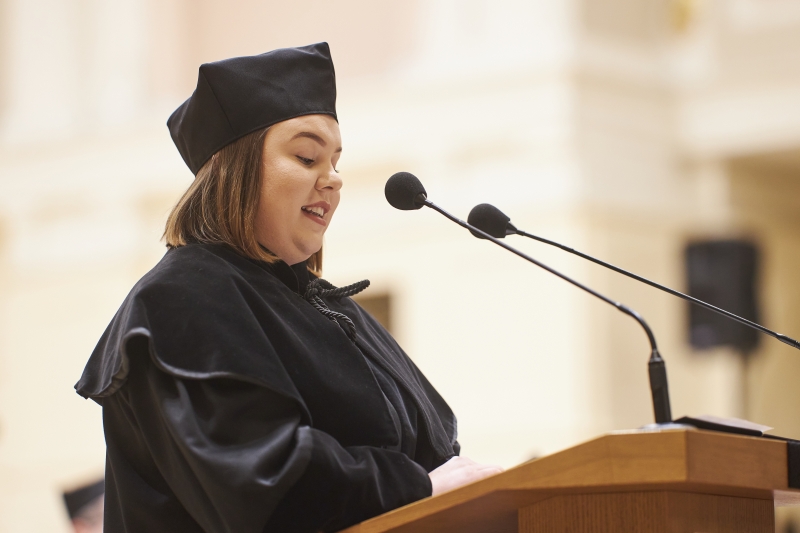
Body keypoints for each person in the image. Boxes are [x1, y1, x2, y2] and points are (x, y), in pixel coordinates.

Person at [75, 42, 501, 533]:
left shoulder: (326, 305)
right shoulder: (184, 298)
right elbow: (262, 484)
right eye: (306, 156)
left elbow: (438, 455)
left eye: (336, 162)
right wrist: (419, 488)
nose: (334, 180)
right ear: (233, 170)